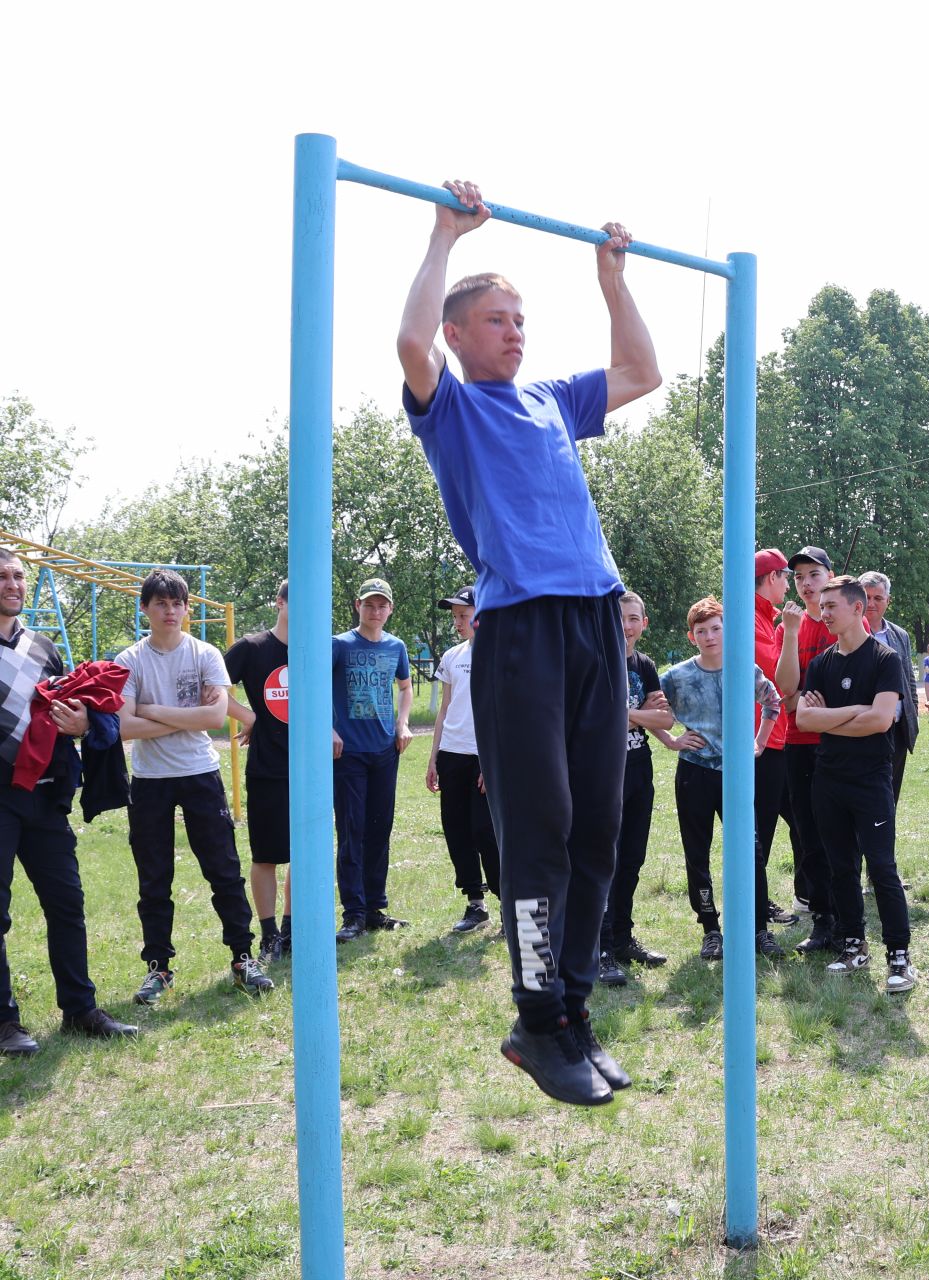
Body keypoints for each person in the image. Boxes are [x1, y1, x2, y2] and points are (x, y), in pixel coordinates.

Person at [398, 178, 662, 1105]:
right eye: (497, 319)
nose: (515, 330)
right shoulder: (452, 408)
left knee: (601, 822)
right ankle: (534, 1014)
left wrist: (612, 278)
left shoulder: (553, 398)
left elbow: (641, 374)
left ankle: (573, 1007)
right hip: (520, 630)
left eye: (520, 317)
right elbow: (407, 342)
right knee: (541, 827)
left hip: (595, 618)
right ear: (461, 335)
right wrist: (442, 238)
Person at [0, 547, 140, 1054]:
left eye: (19, 575)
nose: (13, 584)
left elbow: (78, 707)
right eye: (3, 576)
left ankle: (79, 1010)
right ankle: (5, 1024)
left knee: (67, 904)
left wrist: (85, 725)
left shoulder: (44, 647)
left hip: (45, 798)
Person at [116, 569, 273, 1001]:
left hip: (200, 773)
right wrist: (169, 716)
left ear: (187, 608)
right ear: (145, 608)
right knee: (154, 877)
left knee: (223, 870)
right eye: (161, 603)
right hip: (149, 781)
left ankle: (243, 958)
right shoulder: (129, 661)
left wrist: (150, 708)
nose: (171, 611)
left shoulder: (205, 654)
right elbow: (124, 728)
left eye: (178, 603)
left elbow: (211, 719)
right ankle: (158, 968)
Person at [796, 576, 916, 991]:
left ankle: (899, 956)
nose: (823, 612)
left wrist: (834, 717)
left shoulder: (885, 660)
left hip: (870, 780)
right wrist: (855, 712)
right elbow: (804, 720)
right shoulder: (820, 664)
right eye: (822, 606)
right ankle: (853, 944)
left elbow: (882, 720)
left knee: (881, 868)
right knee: (840, 867)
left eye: (831, 606)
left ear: (857, 609)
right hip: (828, 779)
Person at [659, 597, 783, 961]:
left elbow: (773, 702)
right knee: (697, 853)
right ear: (691, 636)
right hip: (695, 773)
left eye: (716, 628)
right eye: (702, 631)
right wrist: (671, 740)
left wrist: (758, 743)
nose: (710, 636)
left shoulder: (745, 668)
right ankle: (710, 929)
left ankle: (759, 927)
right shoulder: (677, 676)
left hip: (738, 775)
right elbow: (652, 712)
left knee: (751, 851)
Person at [776, 546, 857, 950]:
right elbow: (787, 692)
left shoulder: (842, 624)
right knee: (808, 836)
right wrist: (790, 633)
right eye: (799, 577)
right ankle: (823, 921)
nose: (806, 584)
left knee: (841, 837)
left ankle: (848, 923)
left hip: (840, 743)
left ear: (830, 577)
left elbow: (848, 693)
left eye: (814, 575)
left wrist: (811, 702)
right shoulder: (787, 627)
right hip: (798, 743)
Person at [331, 578, 415, 941]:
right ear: (357, 606)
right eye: (369, 605)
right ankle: (353, 914)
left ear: (390, 609)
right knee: (352, 831)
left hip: (385, 751)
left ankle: (375, 908)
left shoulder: (396, 647)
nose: (375, 611)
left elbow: (406, 687)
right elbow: (314, 685)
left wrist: (403, 722)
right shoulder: (339, 644)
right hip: (348, 752)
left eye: (382, 606)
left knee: (380, 830)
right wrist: (327, 729)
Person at [598, 592, 675, 984]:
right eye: (620, 618)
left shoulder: (644, 664)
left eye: (633, 619)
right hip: (601, 773)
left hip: (638, 769)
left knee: (632, 859)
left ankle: (624, 938)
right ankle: (601, 947)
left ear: (644, 623)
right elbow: (597, 716)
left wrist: (628, 715)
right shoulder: (597, 660)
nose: (626, 626)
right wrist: (638, 715)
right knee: (602, 862)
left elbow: (665, 718)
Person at [224, 580, 294, 961]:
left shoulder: (315, 648)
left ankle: (292, 931)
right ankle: (269, 936)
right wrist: (249, 716)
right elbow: (212, 686)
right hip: (267, 768)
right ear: (280, 602)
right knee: (266, 856)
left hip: (309, 770)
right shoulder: (252, 648)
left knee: (304, 855)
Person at [424, 585, 500, 935]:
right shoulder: (452, 656)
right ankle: (475, 904)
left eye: (464, 614)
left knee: (486, 831)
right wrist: (433, 757)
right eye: (454, 616)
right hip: (451, 754)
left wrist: (491, 760)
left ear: (480, 614)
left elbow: (504, 713)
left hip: (483, 756)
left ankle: (508, 903)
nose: (458, 621)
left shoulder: (499, 654)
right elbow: (444, 710)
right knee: (457, 830)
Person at [748, 549, 798, 929]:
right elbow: (780, 680)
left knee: (796, 821)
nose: (790, 584)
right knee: (759, 830)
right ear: (771, 578)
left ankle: (802, 894)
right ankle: (753, 908)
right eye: (786, 576)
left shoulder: (767, 620)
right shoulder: (750, 623)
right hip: (759, 744)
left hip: (775, 740)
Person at [859, 571, 919, 803]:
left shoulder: (900, 634)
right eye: (866, 597)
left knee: (890, 797)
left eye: (878, 598)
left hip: (897, 732)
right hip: (863, 729)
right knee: (866, 798)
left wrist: (910, 714)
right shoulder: (849, 633)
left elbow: (909, 681)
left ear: (888, 601)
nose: (871, 603)